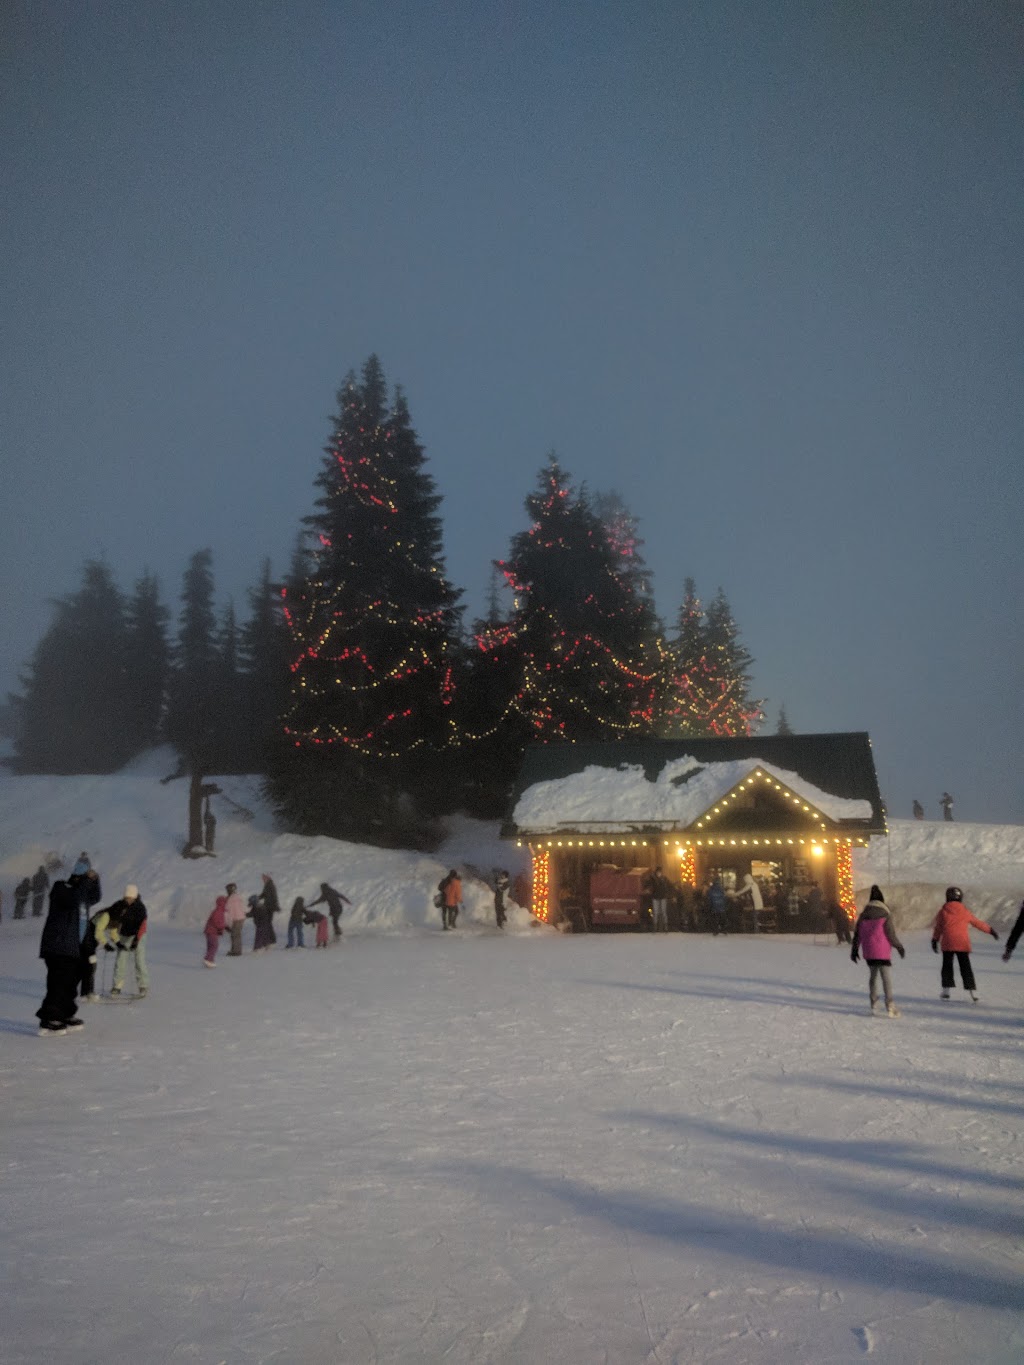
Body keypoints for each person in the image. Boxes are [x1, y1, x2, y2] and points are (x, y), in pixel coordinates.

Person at [931, 886, 998, 1001]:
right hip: (962, 943)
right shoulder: (965, 911)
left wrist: (935, 940)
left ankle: (946, 991)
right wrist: (990, 930)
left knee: (947, 967)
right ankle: (972, 991)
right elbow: (977, 923)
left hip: (948, 943)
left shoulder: (943, 912)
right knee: (965, 967)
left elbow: (938, 928)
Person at [36, 879, 84, 1035]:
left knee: (70, 983)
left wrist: (92, 882)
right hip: (57, 947)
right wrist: (81, 884)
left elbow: (93, 896)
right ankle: (49, 1019)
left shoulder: (76, 895)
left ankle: (65, 1014)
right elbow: (72, 899)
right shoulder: (61, 891)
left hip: (70, 948)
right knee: (58, 984)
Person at [851, 885, 905, 1016]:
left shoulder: (863, 916)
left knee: (873, 977)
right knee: (886, 977)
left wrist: (854, 950)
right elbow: (890, 934)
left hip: (869, 951)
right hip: (882, 952)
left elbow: (857, 935)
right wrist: (899, 946)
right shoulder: (885, 915)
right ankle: (890, 1004)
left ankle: (874, 1003)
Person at [109, 885, 149, 998]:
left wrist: (136, 941)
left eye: (131, 898)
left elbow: (142, 926)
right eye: (127, 897)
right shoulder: (120, 906)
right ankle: (117, 986)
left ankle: (143, 985)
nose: (128, 900)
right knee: (121, 959)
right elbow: (114, 921)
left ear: (135, 897)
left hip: (139, 935)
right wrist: (115, 938)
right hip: (124, 935)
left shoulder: (140, 908)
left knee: (139, 960)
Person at [253, 873, 280, 947]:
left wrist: (276, 906)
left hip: (270, 907)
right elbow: (264, 894)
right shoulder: (267, 885)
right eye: (262, 878)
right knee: (268, 923)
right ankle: (270, 939)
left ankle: (271, 939)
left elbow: (274, 896)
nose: (263, 880)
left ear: (268, 878)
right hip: (267, 906)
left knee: (268, 923)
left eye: (264, 878)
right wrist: (258, 897)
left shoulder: (271, 885)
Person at [644, 866, 673, 932]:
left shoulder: (664, 879)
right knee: (656, 912)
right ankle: (656, 927)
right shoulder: (653, 879)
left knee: (663, 912)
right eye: (658, 872)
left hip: (662, 897)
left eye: (660, 872)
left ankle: (665, 927)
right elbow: (648, 884)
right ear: (656, 872)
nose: (659, 873)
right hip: (656, 897)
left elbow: (669, 885)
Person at [204, 894, 227, 967]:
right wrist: (222, 927)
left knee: (211, 946)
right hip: (212, 931)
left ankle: (209, 960)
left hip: (211, 931)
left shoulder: (219, 910)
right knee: (214, 945)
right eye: (224, 902)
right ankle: (208, 959)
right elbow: (216, 921)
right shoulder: (218, 911)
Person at [223, 883, 246, 955]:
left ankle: (236, 951)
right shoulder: (238, 896)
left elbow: (227, 911)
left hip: (236, 918)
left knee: (235, 935)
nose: (227, 891)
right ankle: (236, 950)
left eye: (227, 890)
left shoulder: (230, 899)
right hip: (241, 917)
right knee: (236, 934)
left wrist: (227, 924)